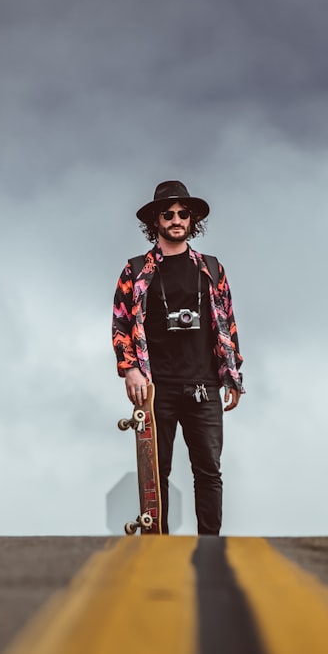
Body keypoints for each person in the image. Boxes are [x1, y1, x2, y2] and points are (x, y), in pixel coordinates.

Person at [112, 180, 244, 535]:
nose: (175, 219)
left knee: (208, 469)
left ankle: (210, 544)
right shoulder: (136, 270)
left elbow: (227, 322)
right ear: (156, 221)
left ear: (191, 220)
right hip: (158, 387)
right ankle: (160, 546)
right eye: (167, 214)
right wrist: (131, 371)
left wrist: (232, 376)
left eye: (182, 214)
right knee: (157, 471)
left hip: (204, 385)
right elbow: (121, 322)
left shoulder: (212, 269)